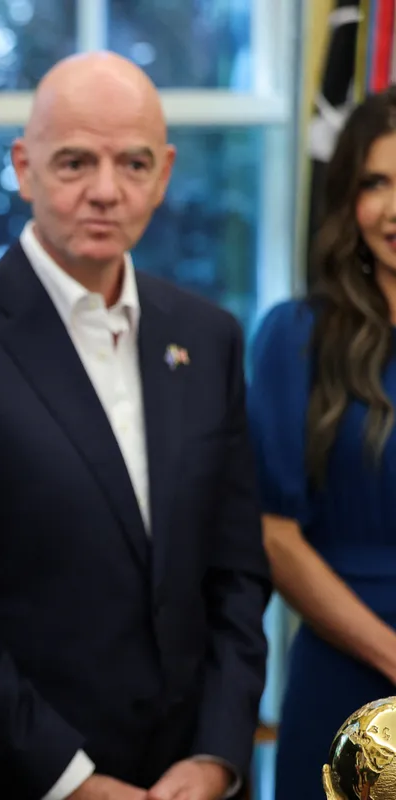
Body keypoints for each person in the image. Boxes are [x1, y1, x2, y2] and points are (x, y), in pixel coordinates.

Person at [0, 51, 271, 800]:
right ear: (23, 166)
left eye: (134, 163)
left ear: (167, 171)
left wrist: (217, 756)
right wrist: (69, 779)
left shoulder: (208, 337)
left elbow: (237, 576)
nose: (106, 191)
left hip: (183, 780)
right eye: (75, 162)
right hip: (1, 779)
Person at [247, 86, 396, 800]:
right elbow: (276, 537)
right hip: (347, 677)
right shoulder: (295, 335)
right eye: (377, 183)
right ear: (348, 199)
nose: (395, 208)